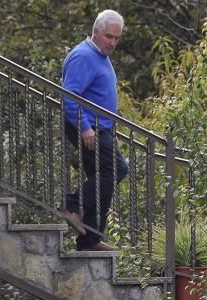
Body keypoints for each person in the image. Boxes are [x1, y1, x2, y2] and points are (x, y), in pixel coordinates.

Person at [60, 10, 130, 252]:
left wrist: (112, 128)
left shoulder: (100, 54)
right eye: (109, 36)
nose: (112, 42)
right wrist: (85, 127)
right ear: (96, 32)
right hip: (88, 127)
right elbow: (69, 96)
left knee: (102, 180)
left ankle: (89, 239)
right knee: (117, 169)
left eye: (116, 38)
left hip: (102, 128)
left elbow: (100, 96)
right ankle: (71, 204)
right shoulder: (83, 56)